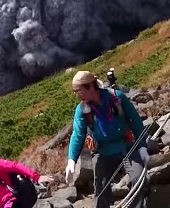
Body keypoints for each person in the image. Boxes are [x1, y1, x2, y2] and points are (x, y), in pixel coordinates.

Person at [64, 70, 150, 208]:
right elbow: (78, 134)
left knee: (138, 178)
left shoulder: (117, 97)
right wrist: (71, 160)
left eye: (78, 90)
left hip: (127, 146)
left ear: (90, 86)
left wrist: (142, 146)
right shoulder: (82, 109)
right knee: (101, 190)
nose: (77, 94)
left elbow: (135, 121)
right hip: (103, 151)